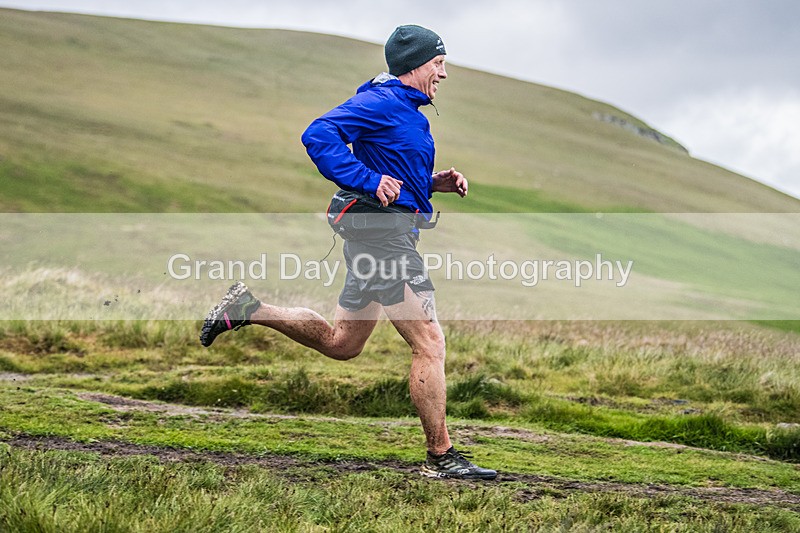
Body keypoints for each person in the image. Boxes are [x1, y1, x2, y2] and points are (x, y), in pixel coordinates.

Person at [200, 24, 496, 480]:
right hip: (380, 236)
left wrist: (430, 182)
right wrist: (368, 181)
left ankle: (248, 308)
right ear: (417, 65)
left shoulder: (404, 109)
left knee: (343, 344)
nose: (444, 74)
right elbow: (318, 134)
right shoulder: (380, 102)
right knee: (429, 343)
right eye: (439, 64)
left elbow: (390, 163)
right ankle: (441, 457)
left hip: (378, 231)